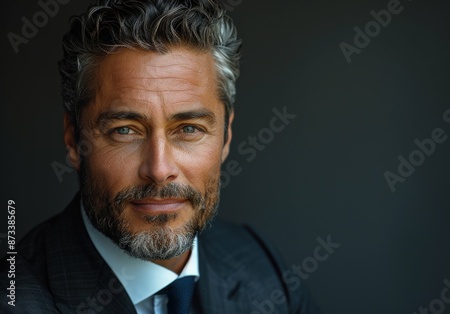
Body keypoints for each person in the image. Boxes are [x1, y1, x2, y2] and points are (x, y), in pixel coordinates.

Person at [1, 0, 319, 313]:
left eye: (189, 129)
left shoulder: (263, 267)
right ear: (73, 139)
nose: (159, 169)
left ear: (226, 136)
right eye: (125, 130)